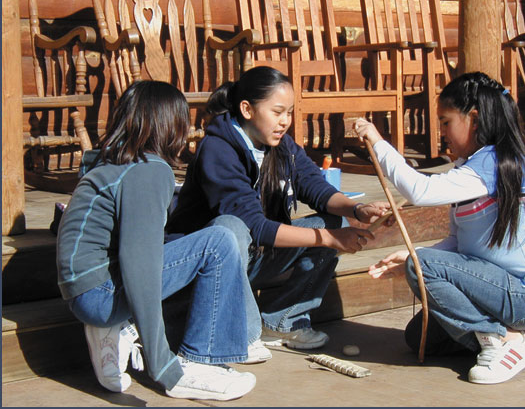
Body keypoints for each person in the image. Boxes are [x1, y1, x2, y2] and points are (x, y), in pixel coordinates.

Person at [354, 72, 525, 385]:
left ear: (475, 119)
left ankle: (506, 339)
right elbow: (457, 241)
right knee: (420, 338)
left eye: (446, 122)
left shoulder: (494, 162)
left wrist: (378, 142)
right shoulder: (468, 168)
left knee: (422, 268)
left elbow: (421, 192)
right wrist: (413, 255)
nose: (442, 133)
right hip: (497, 286)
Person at [166, 66, 390, 352]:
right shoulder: (217, 149)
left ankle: (282, 320)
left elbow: (316, 188)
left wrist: (357, 210)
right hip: (208, 267)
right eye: (277, 112)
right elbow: (255, 227)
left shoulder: (282, 146)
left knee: (333, 220)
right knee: (229, 228)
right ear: (247, 109)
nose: (285, 121)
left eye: (290, 112)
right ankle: (238, 331)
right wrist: (331, 240)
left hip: (254, 256)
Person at [56, 80, 256, 401]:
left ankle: (119, 327)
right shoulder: (149, 171)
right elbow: (140, 267)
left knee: (192, 243)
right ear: (169, 124)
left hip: (83, 290)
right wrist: (164, 366)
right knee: (219, 241)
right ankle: (196, 361)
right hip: (102, 294)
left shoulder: (110, 163)